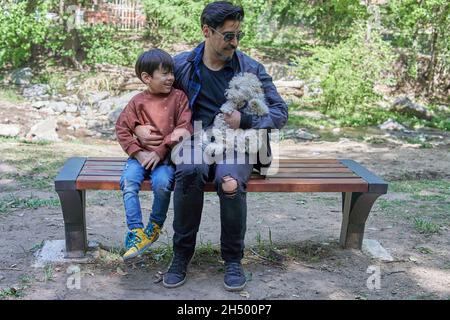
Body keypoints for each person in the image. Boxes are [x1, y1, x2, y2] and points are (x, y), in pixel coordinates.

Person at [134, 1, 288, 290]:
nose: (235, 41)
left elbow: (280, 113)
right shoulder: (181, 65)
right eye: (229, 35)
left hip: (236, 143)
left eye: (238, 35)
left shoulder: (251, 68)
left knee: (229, 182)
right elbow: (147, 97)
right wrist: (139, 127)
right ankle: (181, 255)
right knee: (190, 171)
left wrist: (244, 119)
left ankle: (232, 259)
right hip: (194, 139)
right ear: (207, 31)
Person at [115, 48, 193, 261]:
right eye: (165, 73)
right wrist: (137, 153)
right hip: (139, 157)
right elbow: (122, 128)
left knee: (162, 183)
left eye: (172, 73)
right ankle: (135, 231)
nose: (171, 78)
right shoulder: (138, 102)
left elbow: (185, 129)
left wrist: (160, 151)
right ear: (147, 78)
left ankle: (154, 226)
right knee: (129, 181)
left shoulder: (179, 98)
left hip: (165, 159)